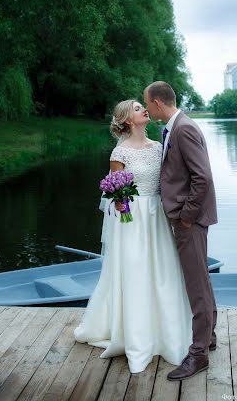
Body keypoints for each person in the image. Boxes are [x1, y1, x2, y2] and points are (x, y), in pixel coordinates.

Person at [73, 99, 193, 374]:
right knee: (136, 271)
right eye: (138, 108)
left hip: (157, 216)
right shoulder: (120, 152)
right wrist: (124, 211)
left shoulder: (159, 147)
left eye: (144, 106)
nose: (144, 110)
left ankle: (167, 333)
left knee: (162, 271)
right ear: (127, 119)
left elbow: (169, 180)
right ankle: (136, 336)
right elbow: (116, 193)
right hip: (132, 219)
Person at [143, 81, 218, 381]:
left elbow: (203, 177)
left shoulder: (183, 128)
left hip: (191, 220)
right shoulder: (174, 127)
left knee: (196, 285)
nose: (147, 109)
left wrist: (186, 217)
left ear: (158, 103)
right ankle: (208, 337)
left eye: (147, 104)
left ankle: (198, 354)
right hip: (189, 218)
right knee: (201, 280)